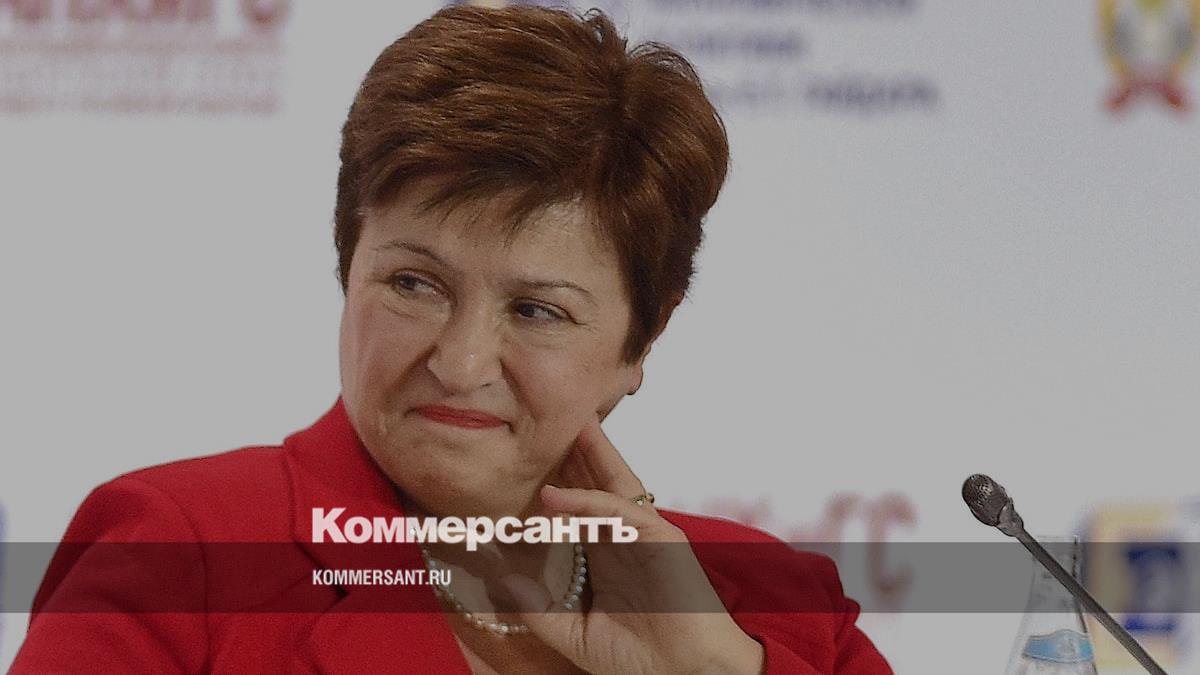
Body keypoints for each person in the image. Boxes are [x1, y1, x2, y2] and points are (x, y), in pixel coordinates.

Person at [13, 5, 891, 674]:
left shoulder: (781, 606)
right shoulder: (182, 555)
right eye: (414, 284)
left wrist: (714, 671)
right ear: (348, 268)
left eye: (536, 310)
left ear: (642, 340)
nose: (461, 362)